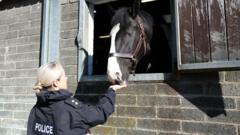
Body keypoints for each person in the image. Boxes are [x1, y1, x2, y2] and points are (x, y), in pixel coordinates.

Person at [27, 62, 126, 135]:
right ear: (56, 83)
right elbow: (99, 114)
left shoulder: (35, 110)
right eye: (64, 76)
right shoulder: (70, 108)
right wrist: (111, 91)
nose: (66, 78)